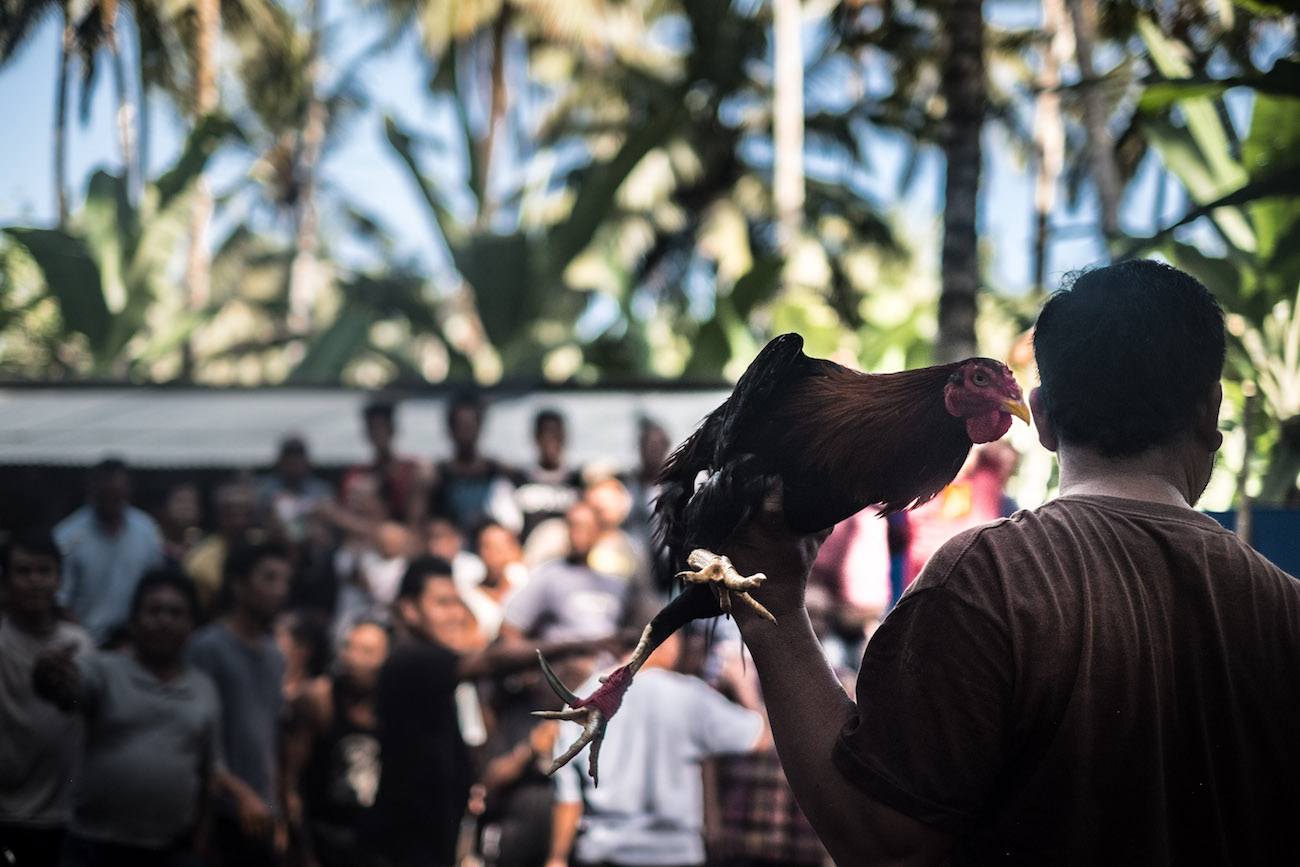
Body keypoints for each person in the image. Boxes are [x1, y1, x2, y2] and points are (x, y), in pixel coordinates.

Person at [718, 260, 1300, 865]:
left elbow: (883, 845)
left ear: (1042, 417)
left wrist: (774, 610)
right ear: (1211, 413)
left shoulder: (987, 579)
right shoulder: (1289, 609)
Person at [363, 556, 613, 867]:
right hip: (406, 839)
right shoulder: (411, 659)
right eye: (442, 603)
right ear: (409, 610)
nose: (455, 615)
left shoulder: (438, 668)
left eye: (457, 603)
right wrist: (581, 644)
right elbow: (491, 662)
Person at [30, 569, 222, 867]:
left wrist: (201, 844)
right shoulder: (103, 670)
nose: (164, 620)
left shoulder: (204, 688)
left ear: (192, 625)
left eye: (176, 612)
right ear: (134, 620)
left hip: (169, 849)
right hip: (94, 846)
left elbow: (209, 772)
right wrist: (49, 676)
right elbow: (66, 691)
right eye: (154, 610)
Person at [546, 630, 767, 867]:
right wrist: (744, 686)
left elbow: (567, 795)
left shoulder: (584, 698)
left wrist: (557, 857)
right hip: (674, 854)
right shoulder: (690, 695)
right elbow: (761, 738)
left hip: (602, 851)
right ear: (668, 642)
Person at [189, 542, 293, 867]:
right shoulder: (208, 648)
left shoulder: (274, 655)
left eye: (284, 581)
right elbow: (199, 734)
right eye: (269, 578)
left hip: (261, 811)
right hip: (217, 810)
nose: (279, 590)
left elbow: (270, 736)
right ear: (238, 585)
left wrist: (280, 807)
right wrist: (235, 792)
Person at [0, 530, 95, 867]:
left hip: (69, 815)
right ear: (7, 580)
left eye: (44, 571)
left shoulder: (81, 644)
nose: (35, 581)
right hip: (8, 813)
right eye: (23, 572)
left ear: (58, 579)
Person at [284, 619, 390, 867]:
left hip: (373, 842)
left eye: (367, 652)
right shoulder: (318, 701)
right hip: (324, 834)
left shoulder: (393, 706)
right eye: (348, 647)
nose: (353, 659)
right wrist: (303, 850)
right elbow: (290, 781)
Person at [54, 458, 164, 644]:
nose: (112, 500)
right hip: (85, 643)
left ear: (128, 491)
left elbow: (155, 588)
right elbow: (60, 600)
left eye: (117, 493)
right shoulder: (67, 536)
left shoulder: (147, 530)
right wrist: (83, 641)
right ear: (92, 489)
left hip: (136, 644)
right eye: (106, 493)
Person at [426, 392, 521, 535]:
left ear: (480, 427)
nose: (466, 433)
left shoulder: (500, 472)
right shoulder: (435, 476)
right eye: (461, 426)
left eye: (470, 425)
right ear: (450, 429)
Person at [185, 478, 261, 614]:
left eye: (245, 511)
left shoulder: (264, 545)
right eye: (231, 511)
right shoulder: (200, 561)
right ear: (218, 515)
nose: (239, 519)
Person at [341, 401, 422, 524]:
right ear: (367, 432)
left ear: (392, 429)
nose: (379, 433)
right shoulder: (357, 473)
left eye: (383, 427)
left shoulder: (413, 469)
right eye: (373, 428)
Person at [513, 409, 583, 541]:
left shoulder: (579, 481)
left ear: (565, 437)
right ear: (535, 437)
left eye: (557, 434)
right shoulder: (517, 481)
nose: (551, 440)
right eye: (545, 434)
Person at [258, 436, 333, 543]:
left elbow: (328, 520)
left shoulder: (320, 489)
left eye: (298, 459)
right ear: (281, 461)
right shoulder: (266, 489)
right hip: (276, 543)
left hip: (312, 545)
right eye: (289, 460)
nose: (294, 465)